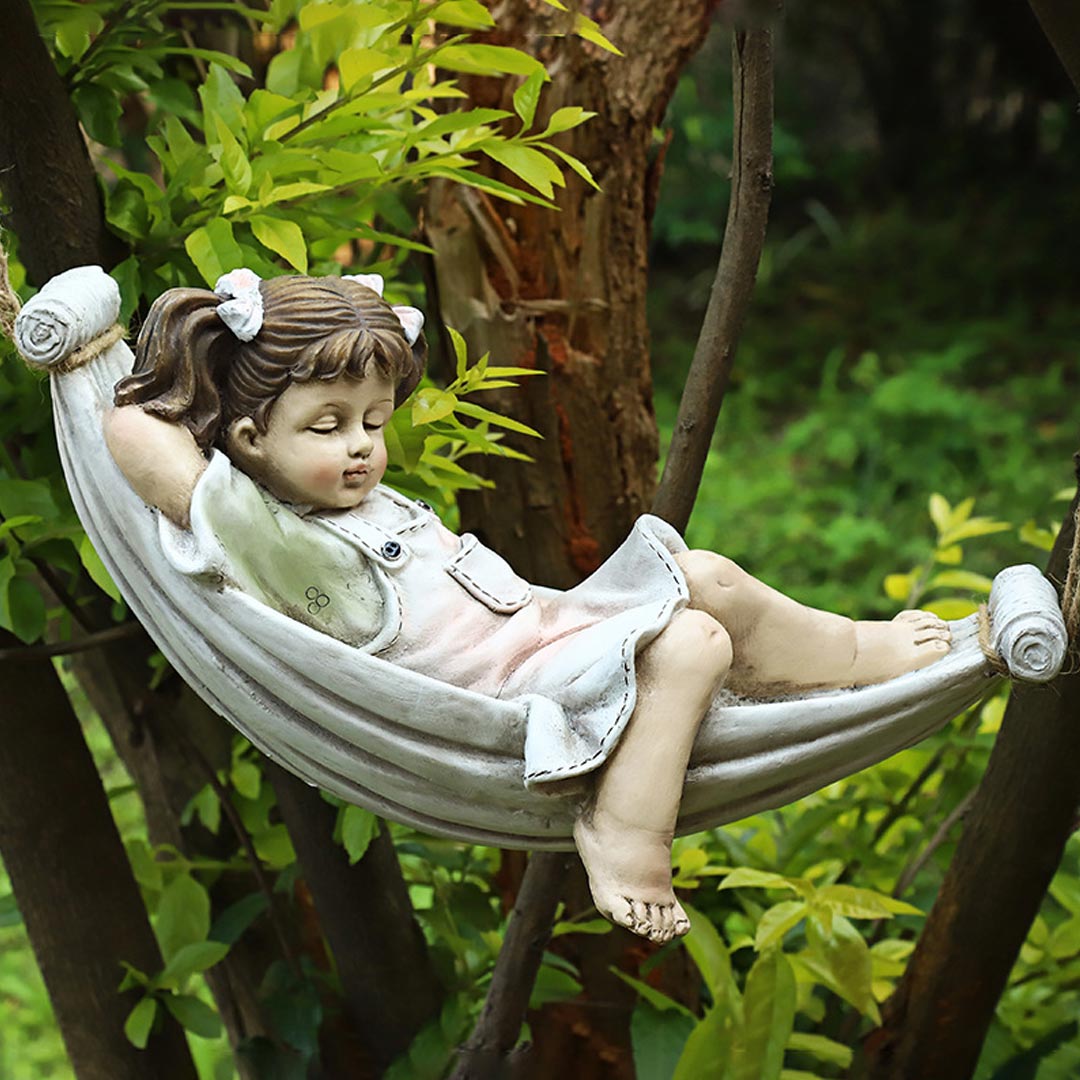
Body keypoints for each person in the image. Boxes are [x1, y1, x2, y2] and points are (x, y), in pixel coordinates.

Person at [105, 270, 951, 944]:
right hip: (512, 685)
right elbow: (141, 442)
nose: (363, 444)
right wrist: (99, 366)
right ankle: (625, 835)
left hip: (553, 628)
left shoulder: (355, 502)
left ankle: (860, 657)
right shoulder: (289, 548)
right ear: (249, 443)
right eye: (327, 427)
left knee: (713, 579)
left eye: (374, 419)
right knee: (692, 644)